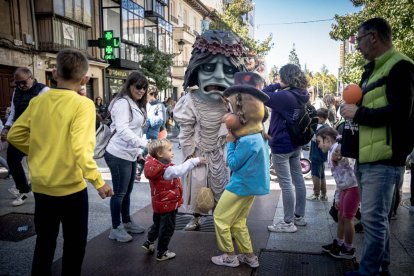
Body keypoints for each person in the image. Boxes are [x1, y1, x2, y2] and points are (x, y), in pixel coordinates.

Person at [7, 48, 113, 275]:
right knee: (74, 245)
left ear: (54, 74)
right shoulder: (83, 105)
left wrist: (37, 151)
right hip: (70, 189)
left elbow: (14, 134)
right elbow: (81, 149)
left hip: (43, 188)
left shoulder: (38, 101)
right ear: (84, 79)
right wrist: (98, 182)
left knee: (44, 244)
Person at [341, 18, 414, 276]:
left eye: (358, 40)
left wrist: (359, 114)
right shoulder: (373, 69)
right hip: (369, 155)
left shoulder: (400, 66)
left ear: (373, 37)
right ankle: (381, 269)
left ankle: (369, 271)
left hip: (385, 157)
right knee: (375, 220)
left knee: (372, 220)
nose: (357, 46)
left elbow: (401, 112)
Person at [173, 30, 248, 231]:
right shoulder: (189, 101)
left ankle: (222, 217)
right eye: (208, 67)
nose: (219, 77)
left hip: (225, 153)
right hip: (198, 153)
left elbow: (243, 127)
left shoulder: (235, 101)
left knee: (225, 188)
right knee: (197, 186)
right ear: (196, 70)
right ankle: (196, 217)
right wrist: (191, 154)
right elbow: (185, 131)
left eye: (229, 71)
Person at [211, 72, 270, 268]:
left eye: (232, 111)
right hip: (250, 185)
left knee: (220, 217)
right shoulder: (258, 134)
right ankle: (250, 256)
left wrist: (230, 144)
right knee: (238, 222)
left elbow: (233, 163)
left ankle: (229, 255)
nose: (228, 116)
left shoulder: (246, 139)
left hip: (241, 184)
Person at [142, 139, 207, 261]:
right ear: (160, 154)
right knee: (167, 229)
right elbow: (181, 170)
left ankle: (149, 242)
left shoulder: (154, 166)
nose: (172, 153)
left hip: (158, 204)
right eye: (170, 150)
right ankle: (162, 252)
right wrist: (195, 160)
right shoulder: (166, 170)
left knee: (157, 225)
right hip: (168, 204)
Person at [104, 71, 149, 242]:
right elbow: (122, 129)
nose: (141, 90)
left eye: (144, 88)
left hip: (130, 153)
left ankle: (127, 221)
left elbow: (136, 129)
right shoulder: (122, 103)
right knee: (119, 193)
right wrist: (143, 145)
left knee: (127, 191)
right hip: (118, 153)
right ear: (129, 85)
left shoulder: (136, 103)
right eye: (138, 86)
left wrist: (138, 152)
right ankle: (115, 228)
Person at [263, 64, 308, 233]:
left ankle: (288, 222)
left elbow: (261, 95)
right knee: (298, 180)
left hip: (281, 144)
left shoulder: (284, 96)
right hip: (295, 143)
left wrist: (276, 85)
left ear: (285, 78)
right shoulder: (302, 94)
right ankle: (299, 216)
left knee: (286, 184)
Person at [1, 67, 49, 206]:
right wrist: (6, 127)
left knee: (39, 163)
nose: (20, 85)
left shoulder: (43, 90)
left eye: (23, 82)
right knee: (12, 159)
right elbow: (13, 113)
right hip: (20, 133)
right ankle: (24, 190)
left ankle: (45, 190)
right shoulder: (17, 90)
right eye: (17, 83)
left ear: (31, 77)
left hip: (38, 133)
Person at [317, 127, 360, 259]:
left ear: (328, 139)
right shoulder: (332, 150)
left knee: (348, 218)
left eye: (319, 141)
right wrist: (337, 197)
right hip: (344, 188)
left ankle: (348, 249)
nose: (318, 145)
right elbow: (338, 178)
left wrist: (341, 157)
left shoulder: (339, 148)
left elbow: (349, 161)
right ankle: (339, 243)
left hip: (353, 187)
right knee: (341, 215)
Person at [307, 108, 329, 201]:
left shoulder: (317, 128)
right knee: (322, 174)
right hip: (323, 155)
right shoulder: (327, 127)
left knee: (315, 174)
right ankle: (324, 194)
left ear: (321, 118)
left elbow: (312, 139)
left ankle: (316, 194)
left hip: (316, 154)